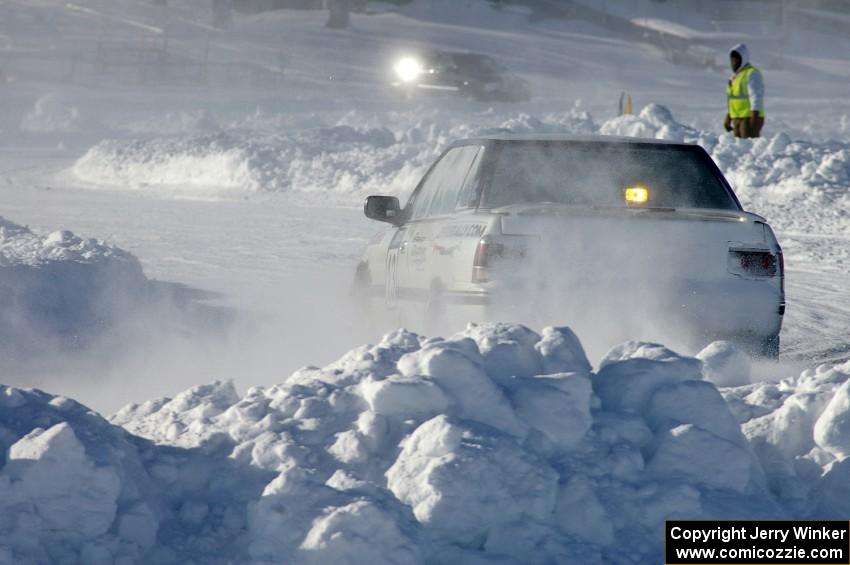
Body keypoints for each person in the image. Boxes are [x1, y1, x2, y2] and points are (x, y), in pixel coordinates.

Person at [724, 43, 764, 138]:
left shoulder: (752, 73)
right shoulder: (735, 77)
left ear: (743, 58)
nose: (734, 62)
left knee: (747, 147)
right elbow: (732, 100)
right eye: (732, 59)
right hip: (737, 118)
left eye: (737, 59)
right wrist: (728, 117)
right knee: (738, 148)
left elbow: (756, 95)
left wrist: (754, 115)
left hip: (749, 118)